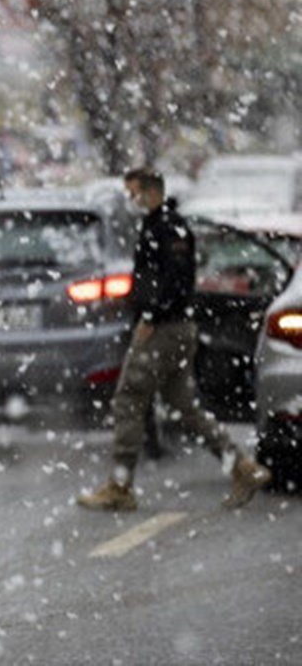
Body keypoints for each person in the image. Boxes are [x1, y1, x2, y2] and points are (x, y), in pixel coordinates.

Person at [76, 168, 272, 512]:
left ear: (150, 191)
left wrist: (151, 314)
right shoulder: (163, 224)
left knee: (128, 398)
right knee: (184, 406)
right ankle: (241, 466)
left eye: (133, 192)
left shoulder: (166, 227)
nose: (130, 200)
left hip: (163, 329)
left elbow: (175, 279)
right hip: (176, 327)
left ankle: (120, 485)